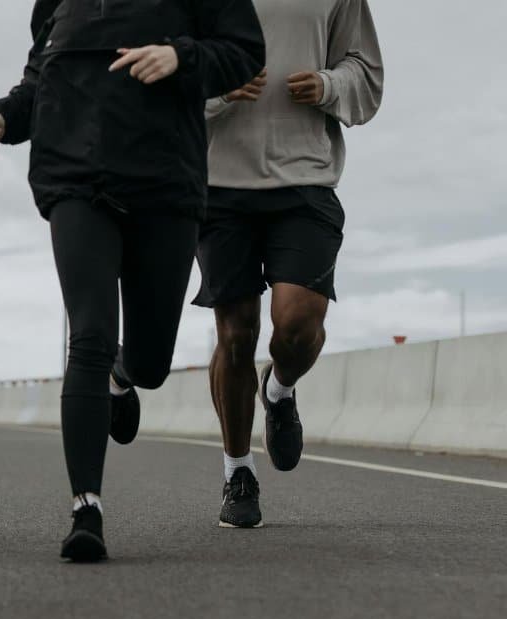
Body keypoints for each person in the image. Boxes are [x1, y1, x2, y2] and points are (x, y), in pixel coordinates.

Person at [0, 0, 264, 562]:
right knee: (89, 335)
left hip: (165, 183)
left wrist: (181, 56)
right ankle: (87, 509)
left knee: (151, 361)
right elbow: (42, 75)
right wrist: (5, 118)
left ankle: (123, 378)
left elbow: (246, 54)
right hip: (76, 180)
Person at [197, 0, 383, 529]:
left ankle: (278, 388)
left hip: (305, 181)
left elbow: (365, 71)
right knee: (235, 336)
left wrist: (327, 85)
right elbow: (168, 73)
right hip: (219, 186)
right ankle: (237, 471)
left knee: (298, 325)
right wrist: (219, 92)